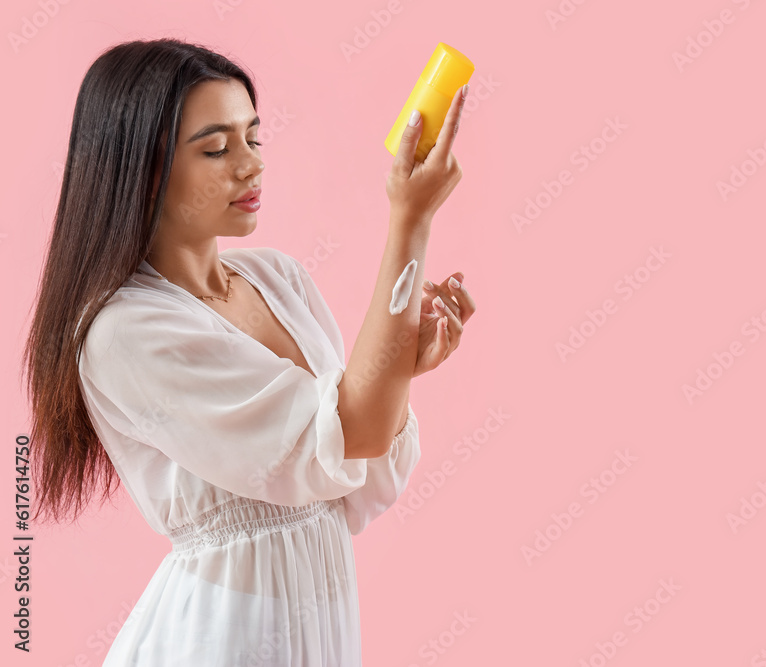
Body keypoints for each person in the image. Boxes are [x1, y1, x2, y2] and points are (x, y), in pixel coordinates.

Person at [19, 37, 475, 665]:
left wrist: (400, 364)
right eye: (216, 148)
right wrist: (410, 220)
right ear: (142, 167)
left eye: (254, 139)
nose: (250, 165)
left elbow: (356, 480)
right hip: (220, 641)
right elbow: (352, 430)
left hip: (320, 629)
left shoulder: (280, 280)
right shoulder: (125, 331)